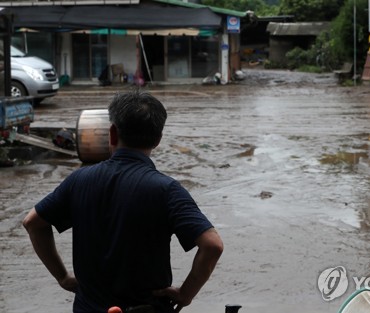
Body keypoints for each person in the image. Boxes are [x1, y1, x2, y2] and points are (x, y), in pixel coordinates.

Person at [23, 90, 223, 313]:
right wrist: (186, 293)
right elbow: (212, 245)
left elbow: (33, 222)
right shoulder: (167, 190)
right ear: (158, 140)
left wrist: (62, 276)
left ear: (112, 134)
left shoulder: (79, 180)